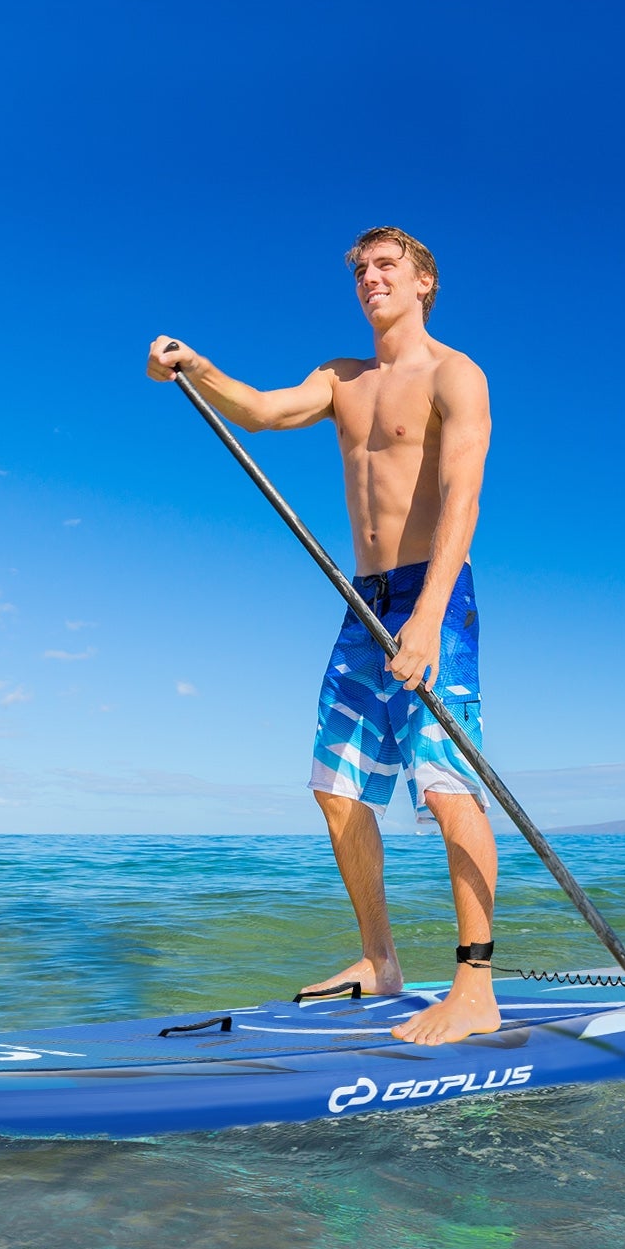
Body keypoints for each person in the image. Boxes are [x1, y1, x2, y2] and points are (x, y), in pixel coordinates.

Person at [146, 227, 498, 1045]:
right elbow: (262, 412)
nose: (371, 278)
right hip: (361, 599)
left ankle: (475, 986)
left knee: (447, 784)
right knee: (336, 788)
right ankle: (381, 961)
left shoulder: (456, 374)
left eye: (388, 266)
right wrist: (194, 367)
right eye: (361, 269)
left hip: (433, 593)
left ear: (424, 282)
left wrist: (427, 619)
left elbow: (462, 499)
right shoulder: (342, 377)